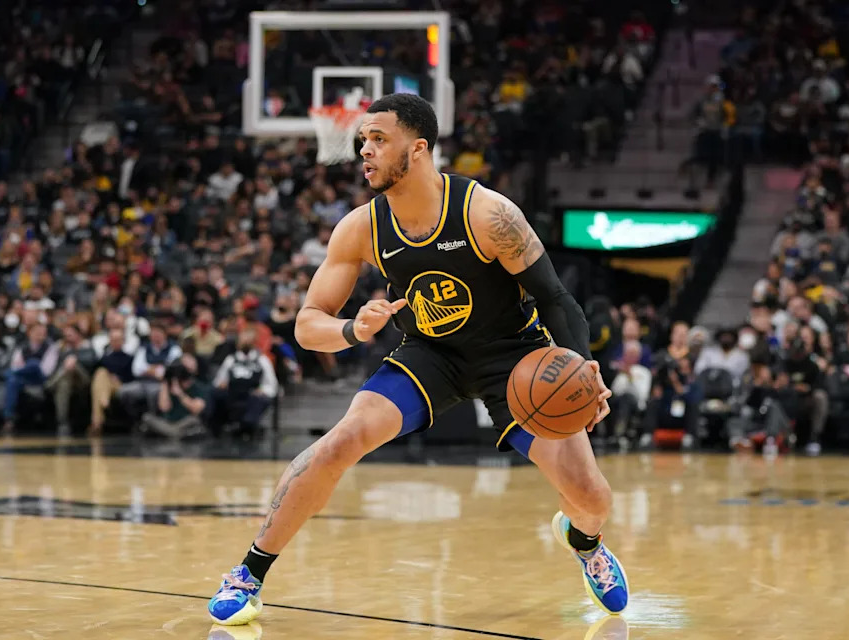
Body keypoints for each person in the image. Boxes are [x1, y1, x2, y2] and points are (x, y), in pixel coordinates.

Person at [207, 94, 626, 626]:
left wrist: (586, 371)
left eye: (379, 139)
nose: (365, 150)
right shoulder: (361, 227)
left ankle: (584, 541)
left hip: (515, 358)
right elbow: (307, 325)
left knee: (593, 497)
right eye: (363, 140)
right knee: (340, 441)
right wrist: (351, 329)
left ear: (419, 149)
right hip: (431, 354)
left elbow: (557, 301)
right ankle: (250, 572)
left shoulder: (488, 214)